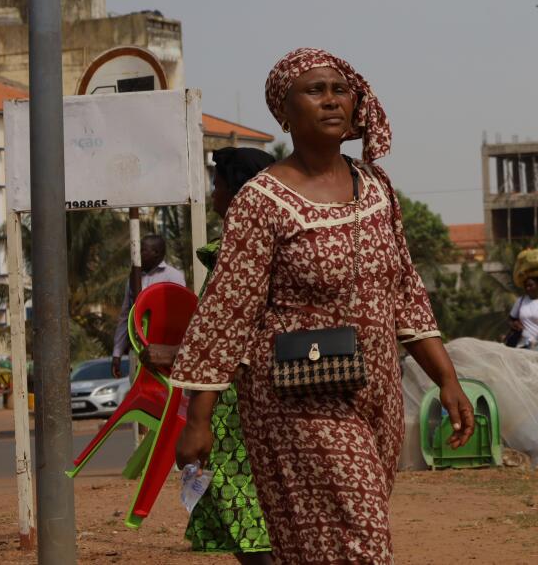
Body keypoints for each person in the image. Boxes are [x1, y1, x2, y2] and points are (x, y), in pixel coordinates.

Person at [171, 48, 475, 563]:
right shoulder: (261, 200)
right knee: (363, 537)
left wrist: (447, 379)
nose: (332, 100)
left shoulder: (377, 187)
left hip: (376, 392)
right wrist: (197, 420)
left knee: (331, 541)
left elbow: (405, 291)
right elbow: (227, 311)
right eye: (315, 91)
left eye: (340, 89)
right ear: (284, 112)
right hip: (297, 399)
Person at [184, 147, 276, 563]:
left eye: (218, 182)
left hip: (240, 410)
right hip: (227, 410)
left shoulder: (245, 254)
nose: (213, 191)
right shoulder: (229, 251)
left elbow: (231, 334)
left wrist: (198, 421)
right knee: (235, 509)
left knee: (247, 512)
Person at [110, 233, 187, 378]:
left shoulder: (173, 276)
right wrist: (117, 353)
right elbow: (126, 315)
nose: (138, 255)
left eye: (143, 250)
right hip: (138, 350)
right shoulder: (134, 278)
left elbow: (180, 313)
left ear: (156, 253)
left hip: (163, 352)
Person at [508, 275, 538, 348]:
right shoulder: (520, 300)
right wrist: (515, 324)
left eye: (531, 285)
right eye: (526, 286)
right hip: (523, 344)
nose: (528, 288)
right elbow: (511, 319)